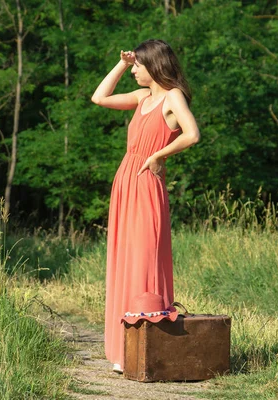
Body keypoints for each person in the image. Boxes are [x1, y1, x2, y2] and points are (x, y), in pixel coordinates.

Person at [91, 39, 200, 373]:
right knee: (125, 258)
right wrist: (122, 64)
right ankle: (126, 348)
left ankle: (148, 345)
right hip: (126, 180)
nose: (135, 70)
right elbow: (99, 97)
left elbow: (192, 134)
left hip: (147, 181)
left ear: (154, 65)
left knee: (144, 258)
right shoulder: (142, 98)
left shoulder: (172, 97)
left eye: (138, 65)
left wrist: (158, 155)